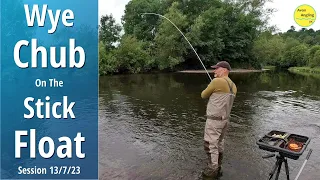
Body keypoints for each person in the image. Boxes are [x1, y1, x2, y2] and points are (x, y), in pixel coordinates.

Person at [200, 61, 237, 178]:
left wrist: (211, 84)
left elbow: (203, 95)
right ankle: (218, 165)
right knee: (219, 143)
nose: (214, 71)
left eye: (217, 69)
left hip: (214, 121)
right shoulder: (233, 85)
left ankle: (211, 171)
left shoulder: (217, 81)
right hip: (225, 120)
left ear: (225, 70)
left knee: (210, 144)